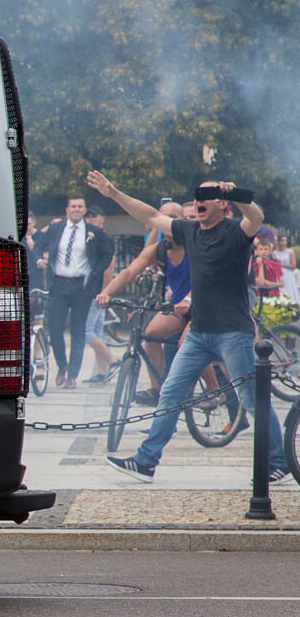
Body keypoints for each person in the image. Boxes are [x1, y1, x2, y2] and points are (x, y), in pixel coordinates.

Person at [92, 171, 291, 485]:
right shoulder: (189, 231)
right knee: (171, 393)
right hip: (199, 332)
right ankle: (146, 461)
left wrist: (235, 193)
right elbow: (150, 216)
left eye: (207, 197)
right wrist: (114, 193)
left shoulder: (236, 230)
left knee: (253, 398)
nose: (200, 201)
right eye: (197, 196)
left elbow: (256, 217)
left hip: (233, 332)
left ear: (221, 204)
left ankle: (278, 462)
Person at [97, 219, 191, 405]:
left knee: (188, 346)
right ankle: (156, 390)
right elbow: (129, 271)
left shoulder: (196, 247)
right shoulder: (159, 250)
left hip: (201, 304)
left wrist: (189, 299)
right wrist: (106, 292)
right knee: (151, 334)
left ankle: (213, 389)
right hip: (176, 306)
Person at [35, 196, 112, 389]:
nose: (76, 209)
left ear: (84, 210)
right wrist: (39, 261)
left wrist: (96, 271)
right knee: (55, 329)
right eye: (73, 206)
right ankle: (62, 365)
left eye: (80, 206)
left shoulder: (94, 231)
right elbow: (38, 245)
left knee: (78, 331)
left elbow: (107, 253)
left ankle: (72, 375)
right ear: (67, 210)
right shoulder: (56, 228)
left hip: (82, 286)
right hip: (59, 284)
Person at [79, 206, 117, 384]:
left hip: (98, 290)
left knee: (87, 331)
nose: (92, 219)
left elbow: (109, 268)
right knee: (96, 331)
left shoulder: (104, 238)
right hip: (95, 289)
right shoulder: (88, 237)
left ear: (102, 218)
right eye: (89, 217)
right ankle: (102, 371)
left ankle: (113, 361)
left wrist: (105, 292)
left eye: (95, 216)